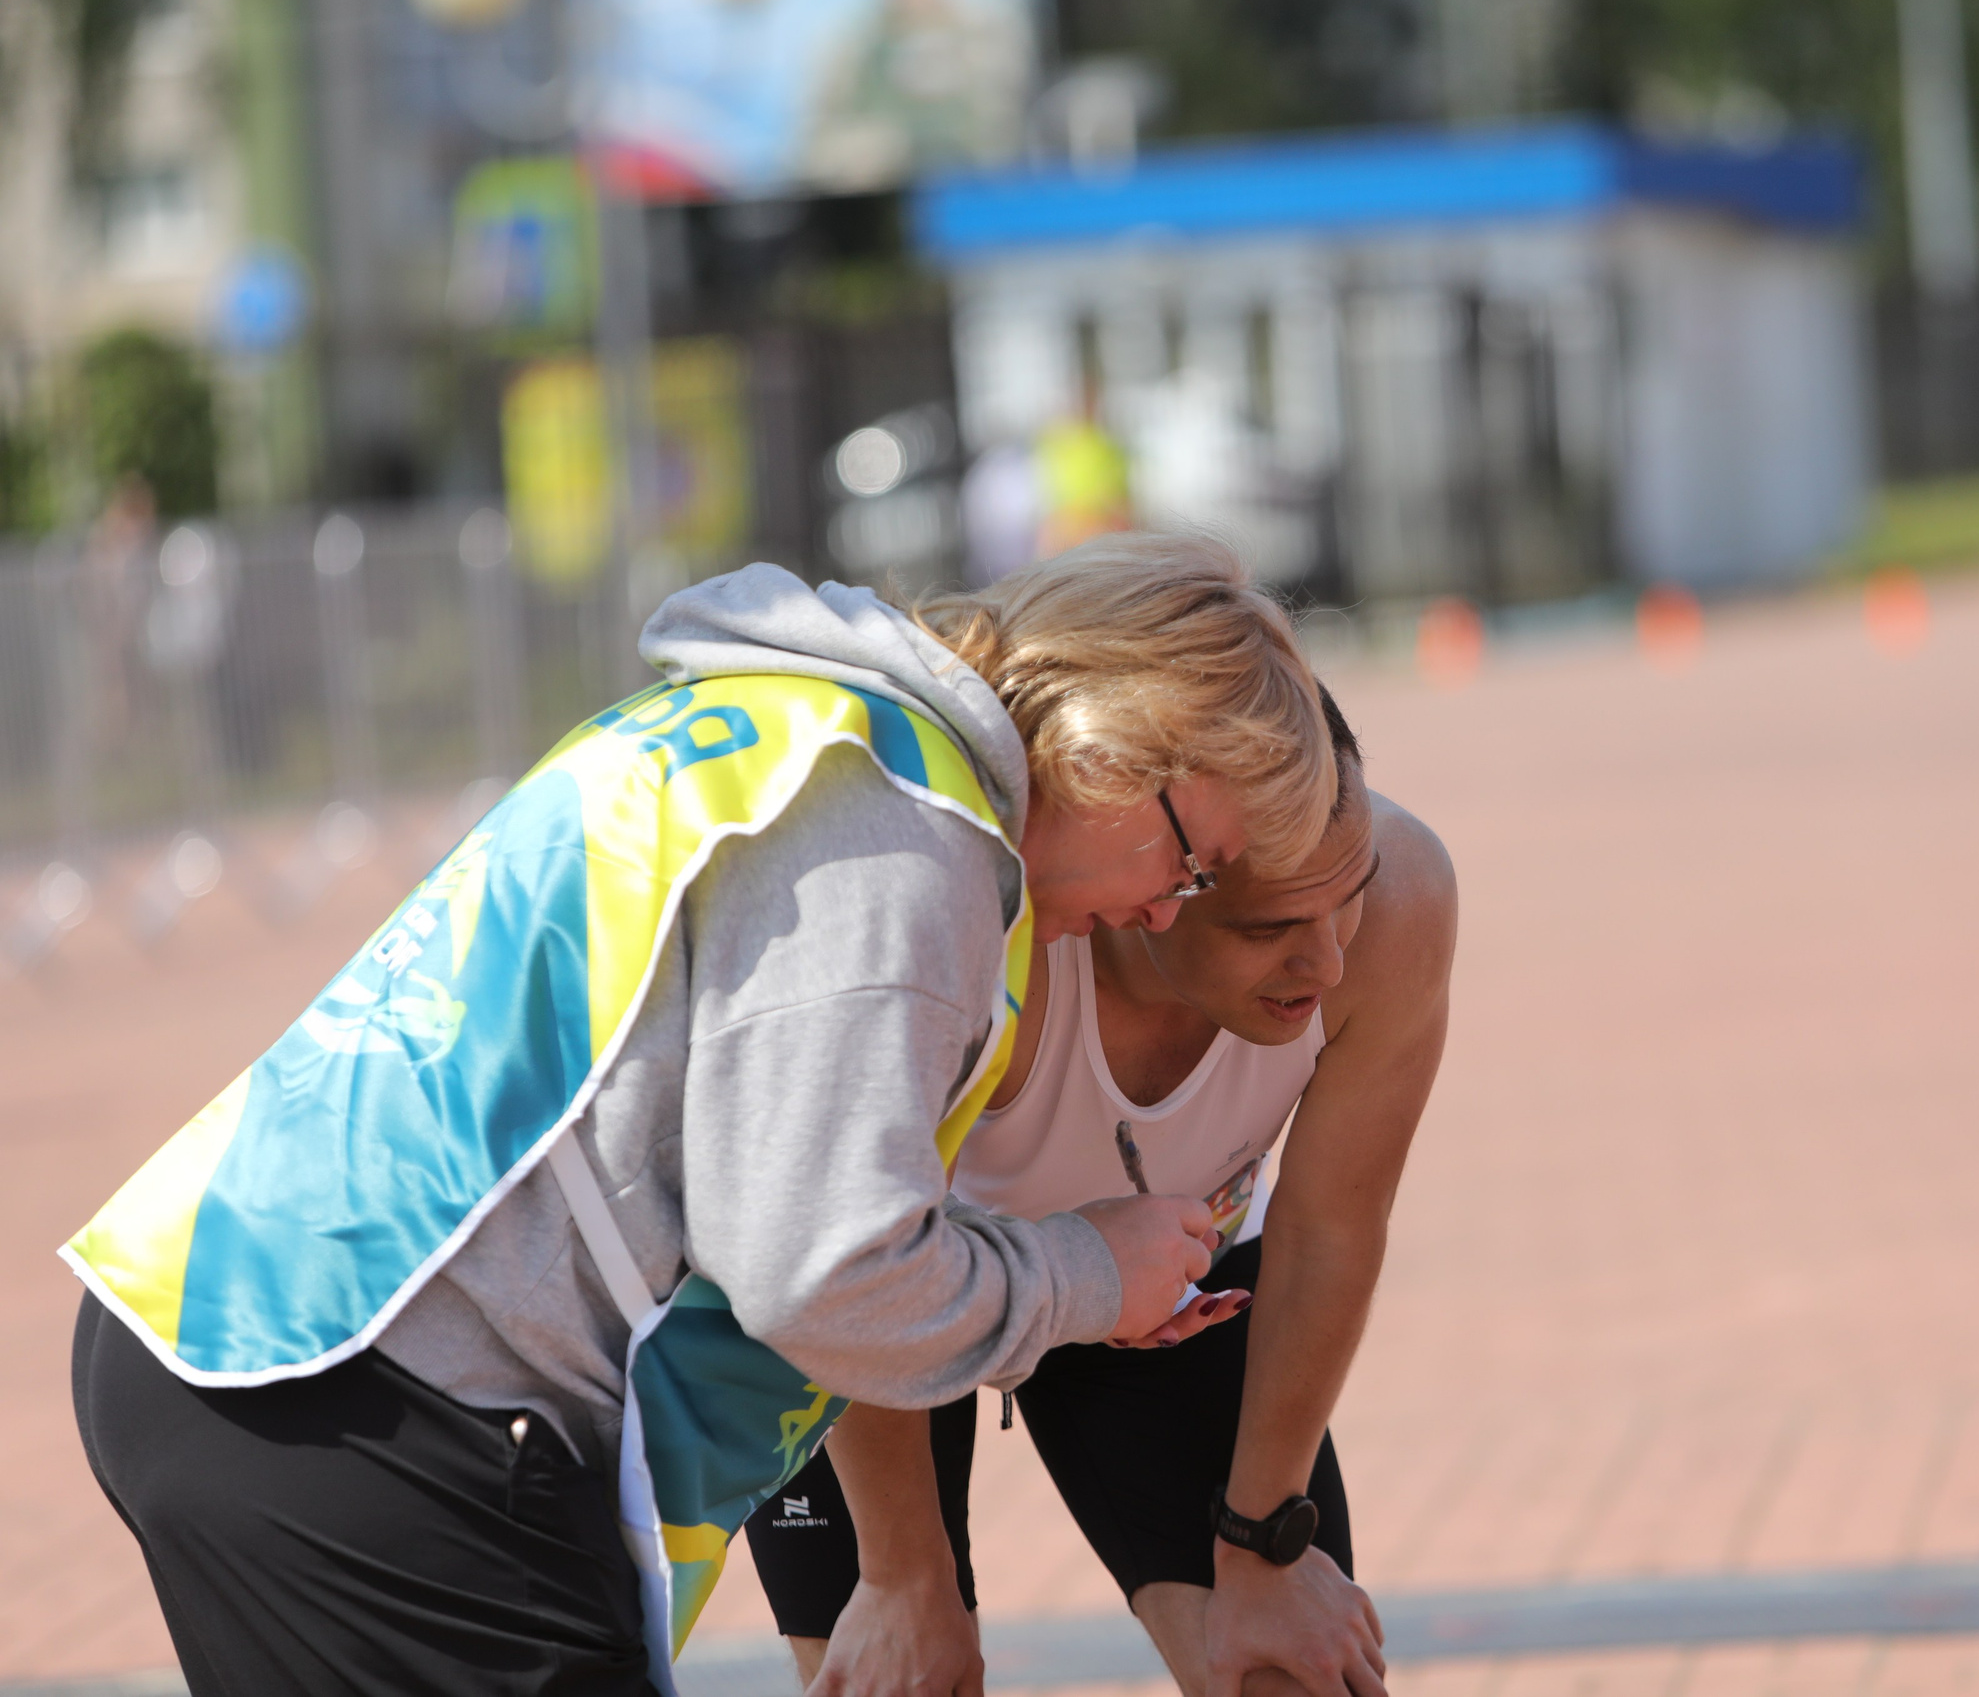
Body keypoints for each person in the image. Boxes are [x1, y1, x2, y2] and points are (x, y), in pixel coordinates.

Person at [63, 536, 1340, 1697]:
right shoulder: (907, 837)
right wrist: (1086, 1275)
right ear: (1115, 747)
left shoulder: (796, 725)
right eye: (1191, 860)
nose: (1166, 910)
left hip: (246, 1324)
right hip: (381, 1397)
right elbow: (820, 1278)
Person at [745, 688, 1458, 1697]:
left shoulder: (1401, 896)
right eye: (1271, 927)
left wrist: (1264, 1540)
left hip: (1169, 1282)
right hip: (893, 1290)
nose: (1327, 962)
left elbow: (1331, 1231)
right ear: (1162, 884)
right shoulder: (984, 927)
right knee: (901, 1670)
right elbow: (842, 1255)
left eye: (1346, 899)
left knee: (1286, 1673)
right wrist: (904, 1573)